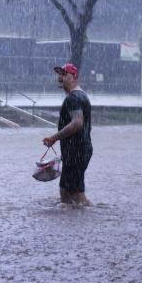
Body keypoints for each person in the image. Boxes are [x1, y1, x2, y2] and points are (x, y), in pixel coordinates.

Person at [43, 63, 93, 206]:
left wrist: (54, 138)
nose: (60, 77)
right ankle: (74, 221)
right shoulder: (82, 95)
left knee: (75, 194)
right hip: (79, 150)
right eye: (59, 74)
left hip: (76, 151)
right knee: (67, 191)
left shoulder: (73, 98)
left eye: (64, 74)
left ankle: (82, 220)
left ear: (74, 78)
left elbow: (77, 123)